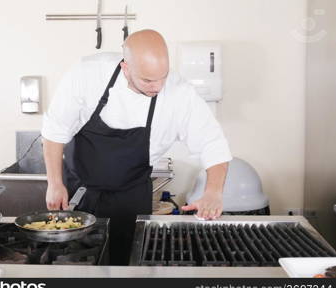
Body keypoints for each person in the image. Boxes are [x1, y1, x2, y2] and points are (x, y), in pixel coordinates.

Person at [41, 29, 232, 265]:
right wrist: (54, 183)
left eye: (163, 76)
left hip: (131, 198)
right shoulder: (88, 74)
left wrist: (213, 192)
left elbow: (212, 142)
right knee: (75, 264)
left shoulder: (179, 93)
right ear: (126, 68)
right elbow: (54, 130)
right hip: (79, 194)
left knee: (128, 265)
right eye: (148, 80)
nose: (158, 87)